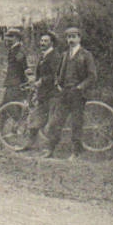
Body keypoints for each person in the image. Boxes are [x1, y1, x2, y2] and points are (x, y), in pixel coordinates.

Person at [47, 26, 99, 159]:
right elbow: (60, 73)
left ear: (79, 38)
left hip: (78, 94)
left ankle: (75, 152)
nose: (71, 40)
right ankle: (50, 150)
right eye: (69, 37)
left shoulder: (86, 55)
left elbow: (92, 76)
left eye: (73, 37)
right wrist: (58, 84)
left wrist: (80, 87)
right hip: (65, 93)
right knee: (56, 121)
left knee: (76, 123)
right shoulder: (65, 55)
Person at [26, 30, 62, 151]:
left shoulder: (55, 56)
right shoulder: (43, 55)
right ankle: (30, 144)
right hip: (43, 94)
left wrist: (41, 81)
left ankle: (51, 150)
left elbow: (55, 74)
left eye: (45, 41)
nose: (42, 43)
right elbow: (40, 72)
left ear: (52, 43)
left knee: (52, 124)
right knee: (36, 117)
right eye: (41, 40)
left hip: (53, 94)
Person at [1, 28, 28, 108]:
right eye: (7, 36)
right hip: (12, 83)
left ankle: (20, 120)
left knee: (9, 106)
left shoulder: (18, 50)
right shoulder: (13, 49)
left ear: (16, 38)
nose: (7, 39)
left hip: (15, 83)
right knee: (7, 106)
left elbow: (24, 66)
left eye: (10, 36)